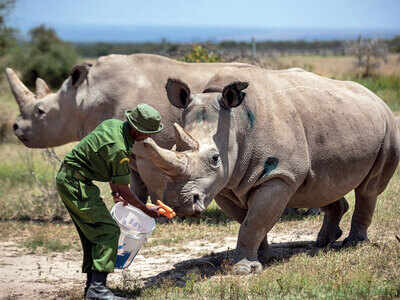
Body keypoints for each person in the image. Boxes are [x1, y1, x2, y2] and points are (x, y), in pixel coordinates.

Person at [56, 104, 163, 300]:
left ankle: (92, 288)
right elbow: (124, 186)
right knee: (107, 231)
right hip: (75, 184)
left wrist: (115, 193)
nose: (149, 137)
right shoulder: (119, 149)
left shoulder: (114, 125)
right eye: (147, 133)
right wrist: (145, 208)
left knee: (93, 234)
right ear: (137, 129)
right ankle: (97, 290)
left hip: (74, 179)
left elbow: (112, 172)